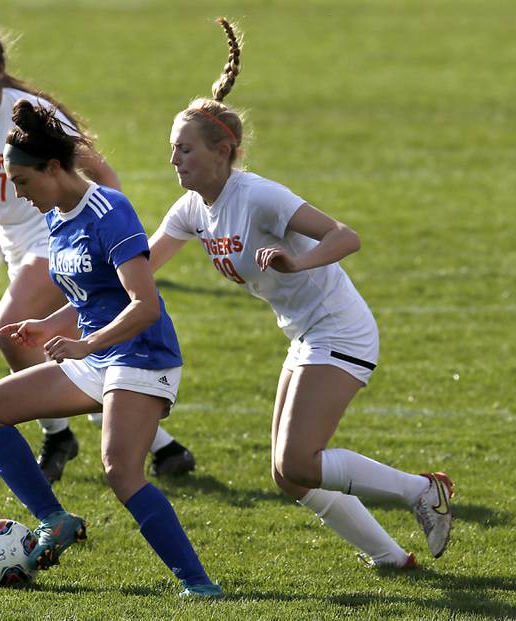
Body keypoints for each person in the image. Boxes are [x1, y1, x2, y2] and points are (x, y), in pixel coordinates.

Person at [148, 18, 454, 568]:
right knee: (288, 475)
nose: (174, 161)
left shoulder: (259, 195)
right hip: (305, 334)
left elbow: (345, 236)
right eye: (172, 149)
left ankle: (422, 491)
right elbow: (144, 265)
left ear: (224, 151)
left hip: (340, 329)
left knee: (302, 462)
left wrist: (298, 260)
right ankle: (390, 558)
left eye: (185, 151)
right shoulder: (194, 207)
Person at [0, 99, 222, 597]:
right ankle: (54, 519)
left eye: (23, 183)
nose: (19, 195)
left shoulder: (111, 211)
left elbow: (144, 305)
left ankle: (199, 586)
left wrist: (85, 344)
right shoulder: (57, 218)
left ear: (54, 168)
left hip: (143, 354)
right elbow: (91, 298)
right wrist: (45, 324)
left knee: (120, 472)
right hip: (98, 352)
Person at [0, 21, 195, 483]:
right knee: (45, 344)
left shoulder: (31, 114)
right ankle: (164, 449)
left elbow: (102, 176)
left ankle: (57, 435)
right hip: (17, 249)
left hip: (58, 239)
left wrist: (102, 232)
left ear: (1, 69)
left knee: (8, 331)